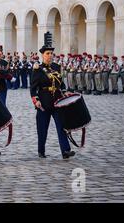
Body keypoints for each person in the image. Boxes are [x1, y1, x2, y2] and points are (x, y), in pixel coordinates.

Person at [30, 32, 75, 160]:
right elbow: (33, 88)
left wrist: (65, 91)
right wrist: (36, 101)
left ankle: (65, 150)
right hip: (43, 102)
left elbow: (61, 83)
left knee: (62, 127)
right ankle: (41, 150)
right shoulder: (37, 69)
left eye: (51, 53)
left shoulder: (56, 67)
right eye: (47, 54)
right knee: (42, 129)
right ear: (43, 55)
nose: (50, 56)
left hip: (57, 101)